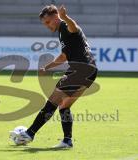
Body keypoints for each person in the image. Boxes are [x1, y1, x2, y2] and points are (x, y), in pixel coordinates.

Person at [12, 4, 97, 148]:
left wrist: (65, 17)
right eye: (44, 24)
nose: (46, 25)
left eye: (47, 22)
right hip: (90, 70)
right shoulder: (61, 32)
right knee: (64, 106)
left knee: (52, 101)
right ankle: (67, 141)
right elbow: (64, 56)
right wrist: (48, 67)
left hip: (80, 70)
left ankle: (29, 133)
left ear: (55, 17)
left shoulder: (64, 25)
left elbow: (74, 27)